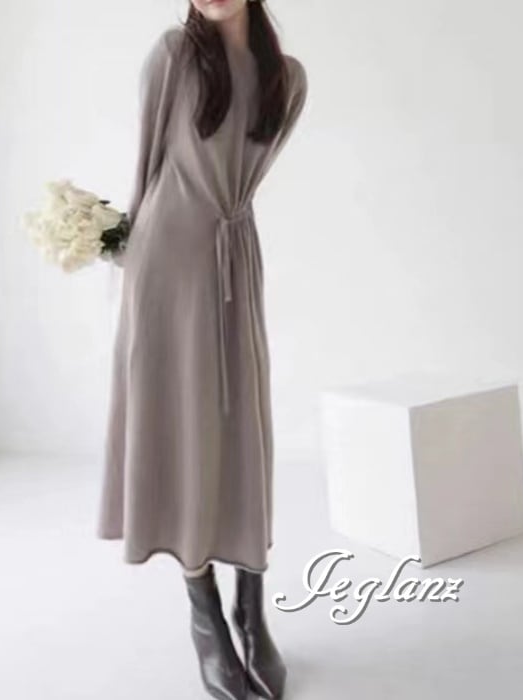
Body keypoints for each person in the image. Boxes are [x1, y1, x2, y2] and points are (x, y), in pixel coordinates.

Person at [97, 1, 307, 698]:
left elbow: (244, 176)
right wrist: (122, 253)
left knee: (242, 429)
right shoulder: (173, 55)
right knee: (182, 430)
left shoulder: (288, 79)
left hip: (233, 253)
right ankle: (205, 615)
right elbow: (147, 165)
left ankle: (252, 607)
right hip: (164, 262)